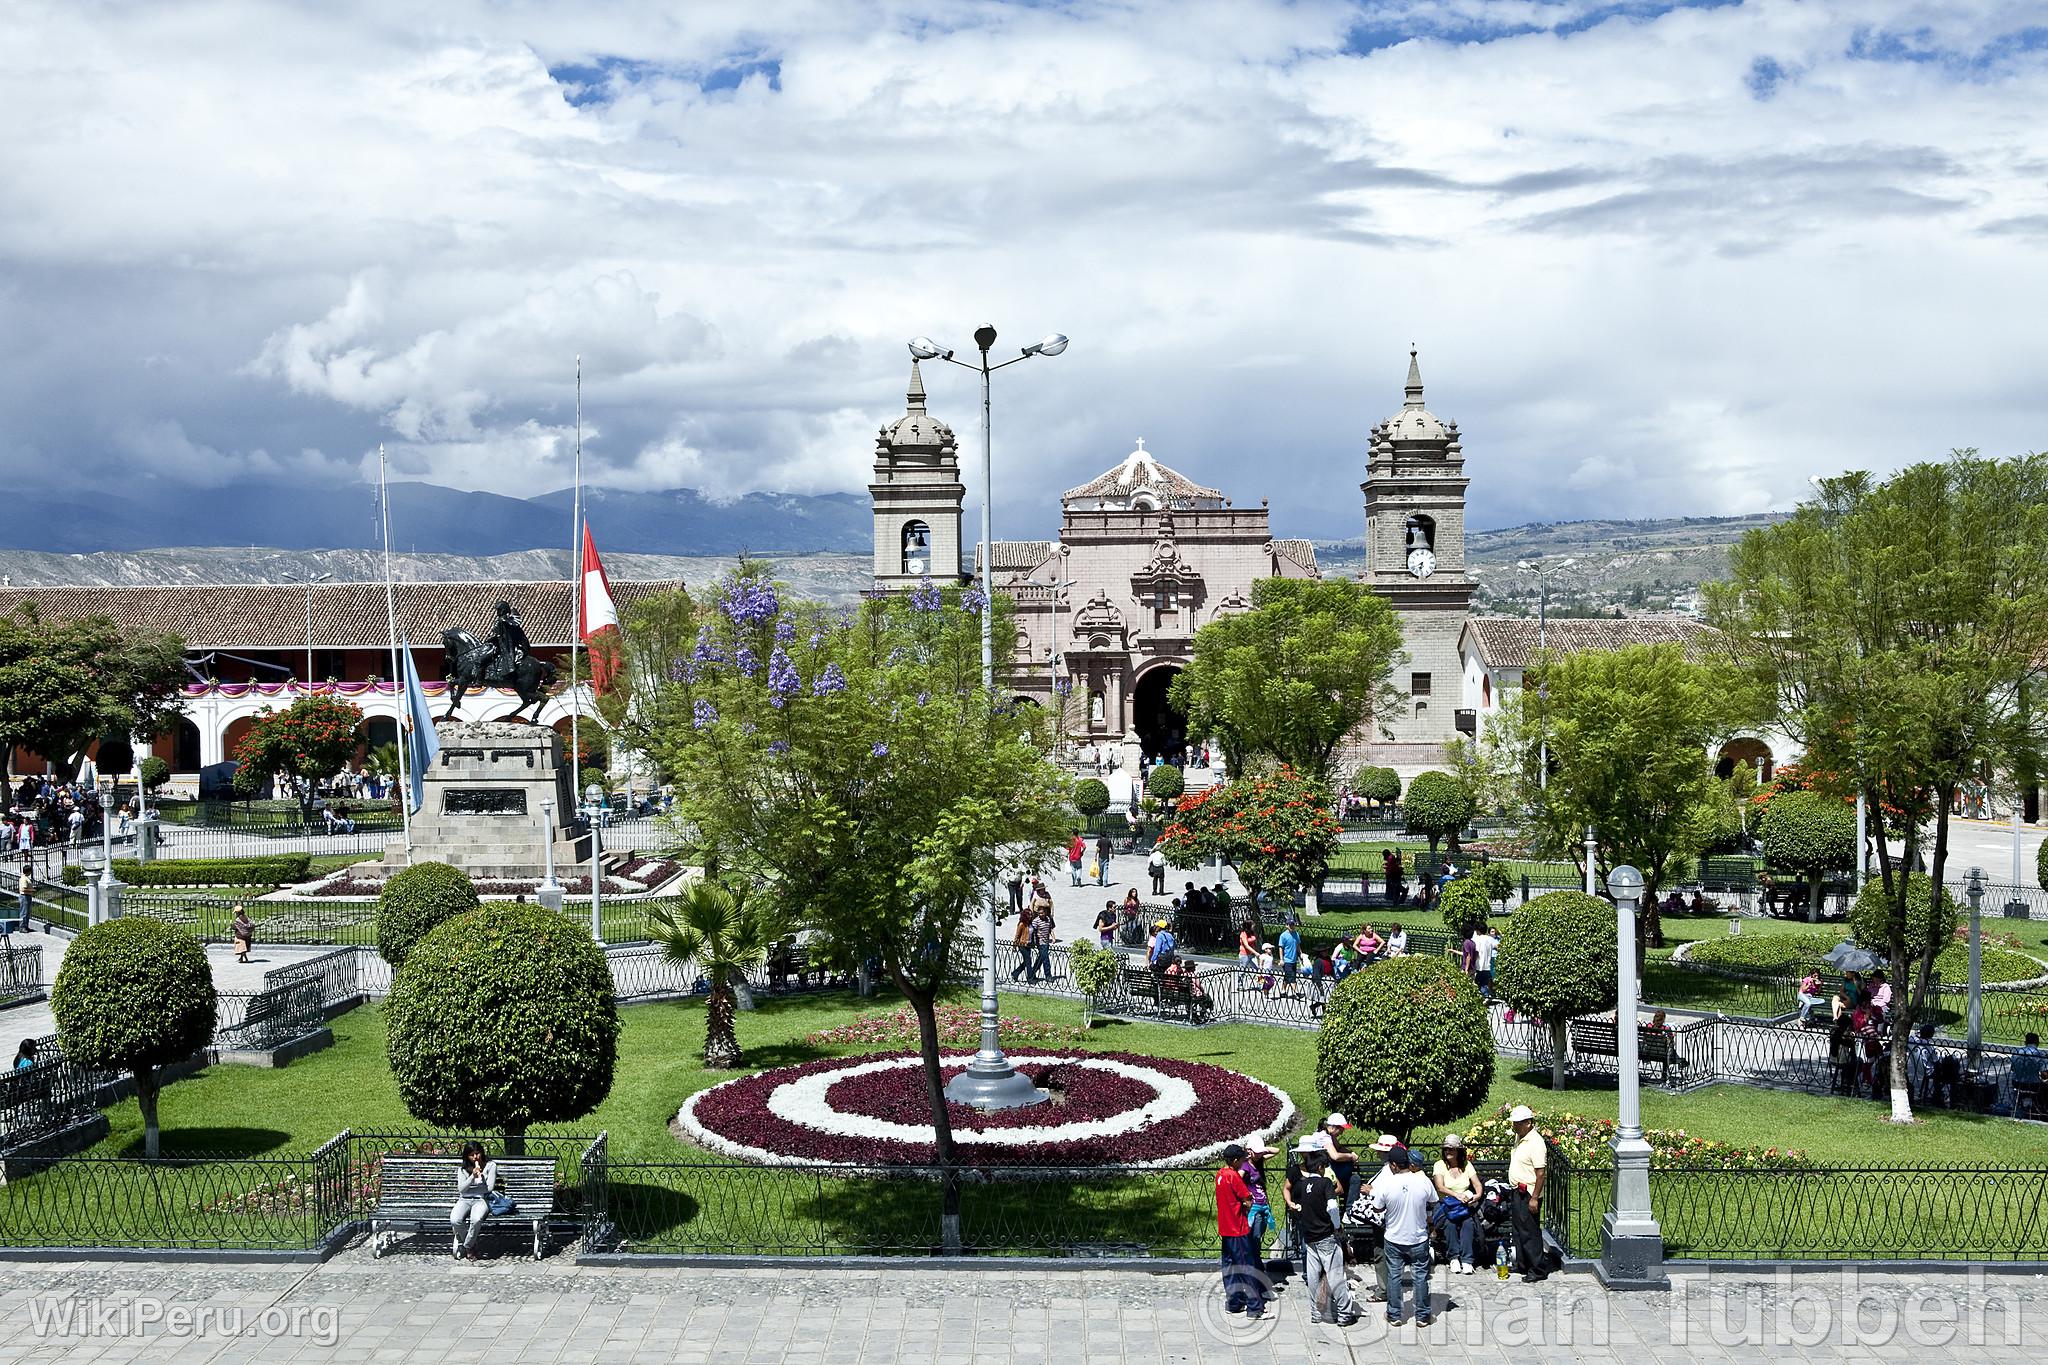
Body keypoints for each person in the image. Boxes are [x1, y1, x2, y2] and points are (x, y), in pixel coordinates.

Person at [1287, 1139, 1359, 1326]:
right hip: (1326, 1236)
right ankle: (1344, 1314)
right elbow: (1333, 1206)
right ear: (1319, 1167)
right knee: (1335, 1276)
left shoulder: (1301, 1186)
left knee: (1312, 1276)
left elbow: (1299, 1207)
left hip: (1309, 1237)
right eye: (1324, 1166)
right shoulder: (1325, 1183)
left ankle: (1316, 1313)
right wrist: (1336, 1226)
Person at [1370, 1146, 1437, 1326]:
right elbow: (1433, 1201)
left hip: (1394, 1237)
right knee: (1421, 1276)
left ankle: (1394, 1315)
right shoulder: (1423, 1181)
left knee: (1394, 1276)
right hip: (1418, 1237)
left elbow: (1377, 1207)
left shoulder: (1387, 1184)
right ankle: (1423, 1316)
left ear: (1393, 1165)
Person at [1214, 1143, 1266, 1318]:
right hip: (1238, 1228)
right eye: (1242, 1159)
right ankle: (1254, 1307)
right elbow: (1247, 1198)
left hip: (1225, 1228)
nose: (1244, 1161)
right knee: (1246, 1267)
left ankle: (1234, 1301)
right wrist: (1246, 1205)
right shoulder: (1233, 1176)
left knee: (1229, 1267)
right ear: (1235, 1160)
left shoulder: (1220, 1175)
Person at [1505, 1105, 1550, 1282]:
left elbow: (1540, 1173)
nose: (1514, 1126)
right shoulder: (1521, 1137)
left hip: (1528, 1193)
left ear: (1528, 1123)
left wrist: (1534, 1198)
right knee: (1519, 1230)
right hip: (1518, 1190)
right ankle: (1523, 1264)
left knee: (1529, 1232)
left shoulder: (1536, 1143)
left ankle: (1537, 1269)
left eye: (1517, 1123)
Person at [1432, 1134, 1483, 1274]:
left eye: (1451, 1149)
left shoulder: (1467, 1165)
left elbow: (1477, 1184)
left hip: (1463, 1205)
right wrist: (1457, 1195)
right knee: (1450, 1223)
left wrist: (1477, 1195)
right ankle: (1453, 1258)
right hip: (1446, 1204)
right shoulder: (1439, 1165)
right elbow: (1440, 1187)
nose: (1448, 1151)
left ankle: (1467, 1260)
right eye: (1446, 1149)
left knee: (1467, 1223)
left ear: (1458, 1151)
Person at [451, 1141, 498, 1258]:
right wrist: (472, 1177)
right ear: (467, 1156)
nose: (475, 1157)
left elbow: (489, 1188)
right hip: (464, 1199)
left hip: (481, 1199)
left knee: (476, 1219)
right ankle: (472, 1245)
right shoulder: (462, 1170)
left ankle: (467, 1246)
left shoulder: (490, 1166)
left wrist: (481, 1178)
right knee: (455, 1220)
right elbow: (461, 1189)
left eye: (477, 1153)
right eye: (472, 1155)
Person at [1472, 924, 1500, 998]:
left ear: (1478, 930)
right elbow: (1498, 946)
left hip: (1479, 965)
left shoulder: (1477, 939)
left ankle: (1486, 995)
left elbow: (1476, 952)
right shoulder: (1490, 939)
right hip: (1487, 965)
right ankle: (1487, 995)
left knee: (1479, 983)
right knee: (1484, 982)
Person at [1278, 922, 1301, 998]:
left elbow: (1298, 945)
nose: (1292, 926)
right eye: (1290, 925)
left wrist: (1301, 954)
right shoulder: (1283, 936)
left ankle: (1283, 991)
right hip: (1286, 960)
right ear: (1286, 925)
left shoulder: (1296, 934)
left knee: (1288, 976)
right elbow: (1281, 947)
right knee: (1292, 977)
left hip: (1294, 960)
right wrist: (1281, 959)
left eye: (1293, 925)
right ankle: (1296, 992)